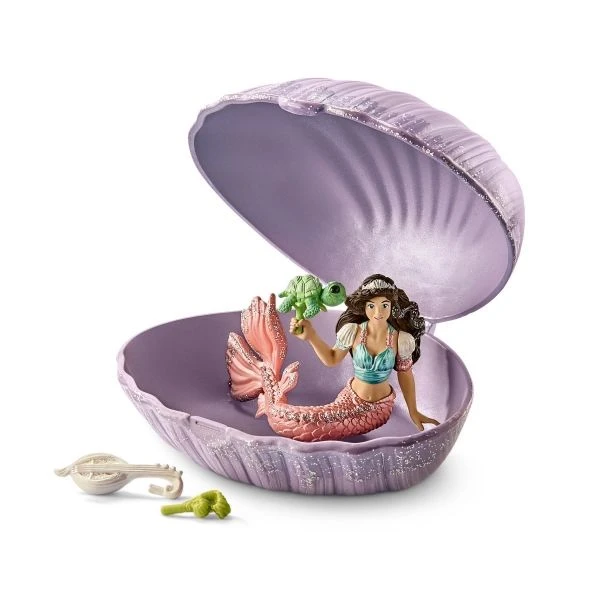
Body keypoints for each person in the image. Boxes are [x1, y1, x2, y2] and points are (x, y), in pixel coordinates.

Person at [290, 273, 439, 433]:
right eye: (371, 306)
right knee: (310, 423)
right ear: (364, 306)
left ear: (391, 306)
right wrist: (311, 336)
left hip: (380, 408)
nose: (378, 312)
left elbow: (405, 374)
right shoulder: (353, 330)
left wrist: (413, 411)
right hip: (349, 400)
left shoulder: (401, 339)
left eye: (384, 305)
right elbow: (332, 359)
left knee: (323, 430)